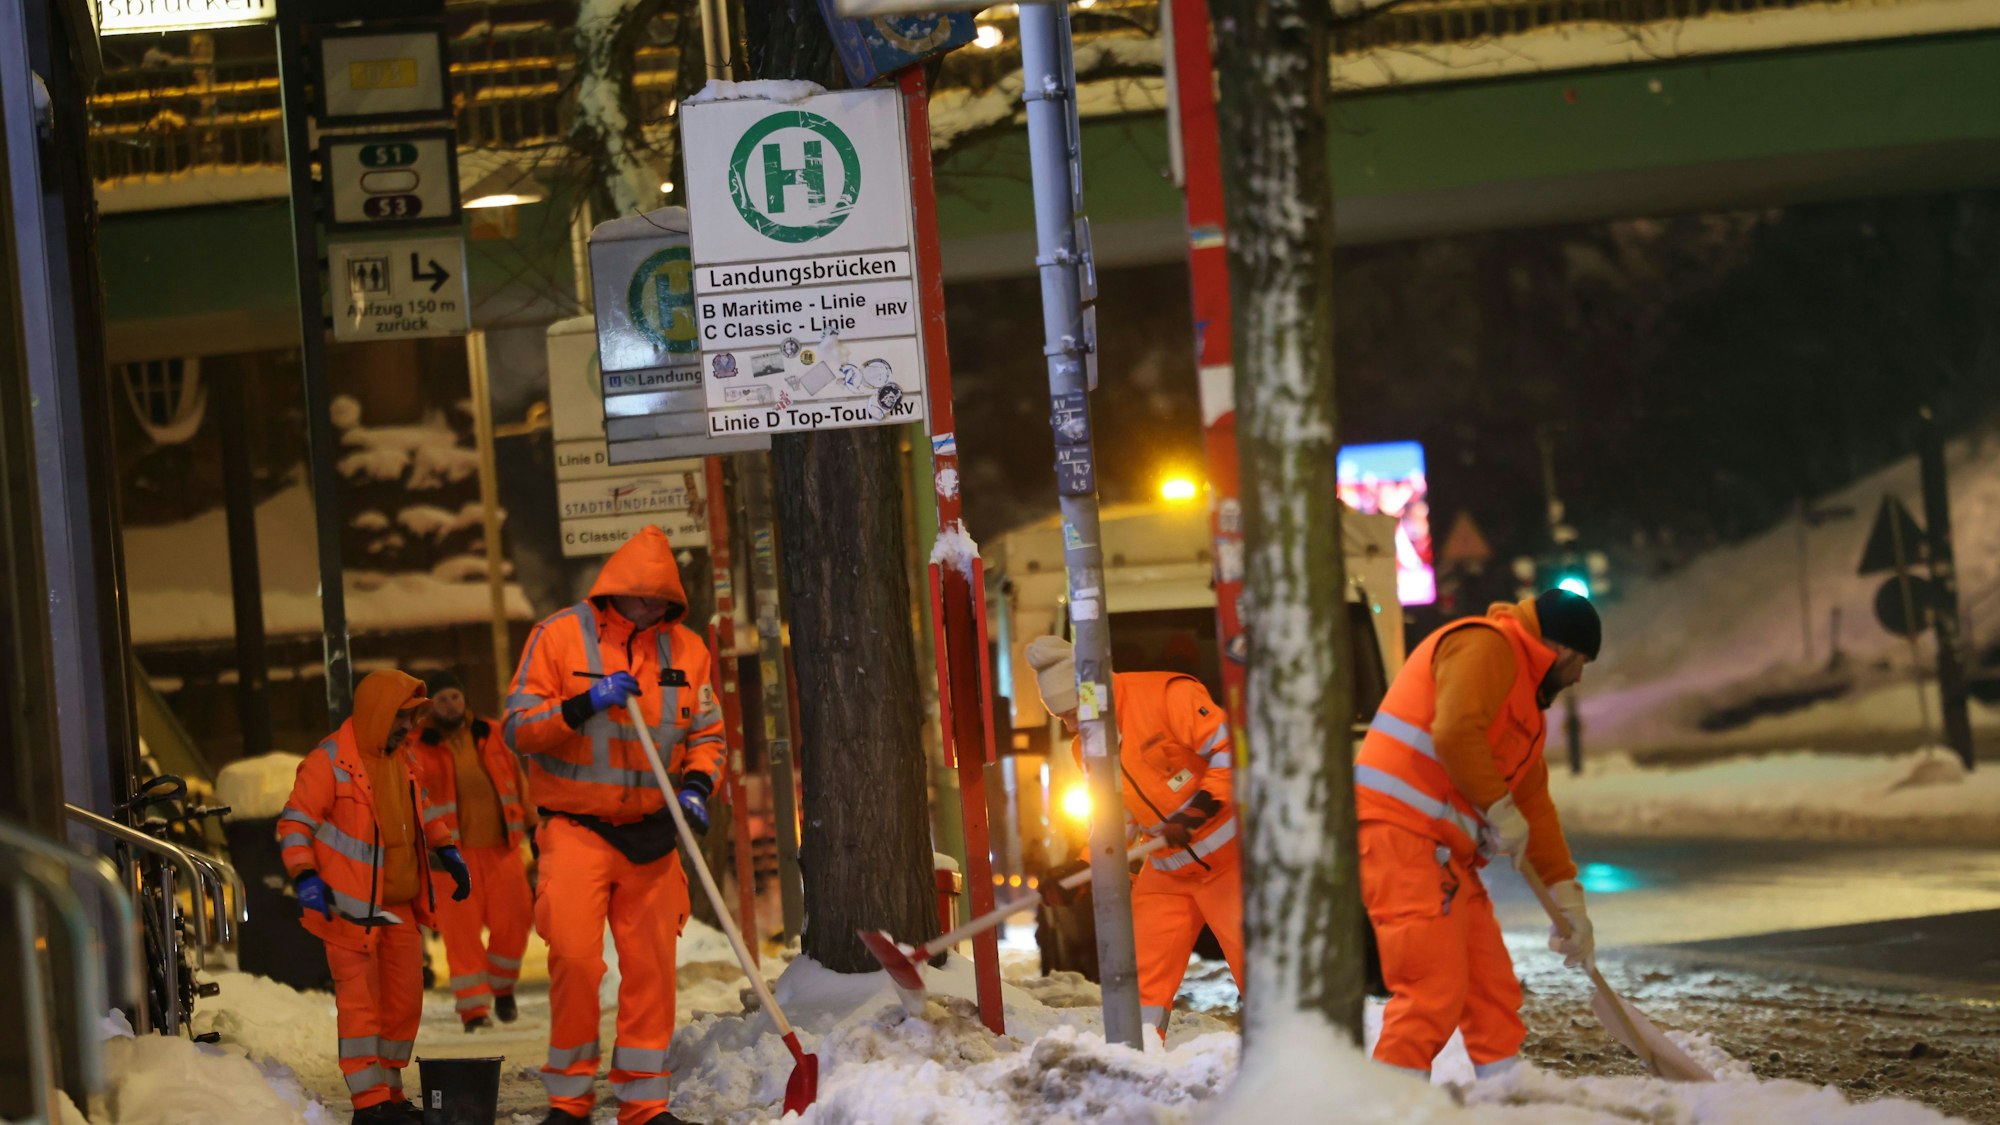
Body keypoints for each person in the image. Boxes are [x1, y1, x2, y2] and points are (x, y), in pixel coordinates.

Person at [504, 526, 725, 1125]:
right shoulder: (558, 638)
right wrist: (584, 704)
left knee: (651, 970)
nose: (655, 608)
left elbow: (707, 733)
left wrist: (698, 788)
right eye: (644, 596)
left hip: (652, 833)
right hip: (575, 827)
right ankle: (569, 1102)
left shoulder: (687, 651)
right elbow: (518, 728)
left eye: (664, 600)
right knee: (575, 961)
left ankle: (643, 1104)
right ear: (616, 591)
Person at [1355, 588, 1602, 1080]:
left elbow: (1534, 804)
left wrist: (1565, 892)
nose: (1577, 679)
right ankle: (1391, 1106)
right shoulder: (1486, 646)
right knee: (1432, 988)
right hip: (1399, 836)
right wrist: (1496, 806)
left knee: (1491, 987)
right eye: (1581, 665)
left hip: (1445, 854)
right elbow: (1455, 732)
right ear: (1565, 652)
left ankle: (1506, 1095)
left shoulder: (1526, 707)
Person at [1024, 634, 1244, 1039]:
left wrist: (1198, 808)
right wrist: (1084, 868)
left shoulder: (1167, 696)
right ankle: (1139, 1055)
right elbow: (1115, 820)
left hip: (1234, 864)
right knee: (1141, 977)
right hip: (1170, 873)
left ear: (1094, 693)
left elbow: (1231, 750)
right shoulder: (1087, 748)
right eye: (1062, 719)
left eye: (1074, 712)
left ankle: (1291, 1059)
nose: (1072, 726)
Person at [277, 670, 472, 1125]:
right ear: (378, 713)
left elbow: (418, 807)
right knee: (362, 1007)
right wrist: (304, 874)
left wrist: (445, 847)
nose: (409, 726)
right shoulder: (330, 761)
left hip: (398, 906)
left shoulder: (401, 759)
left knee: (402, 1003)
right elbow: (294, 823)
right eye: (402, 717)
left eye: (412, 717)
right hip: (348, 909)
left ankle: (391, 1095)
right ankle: (370, 1107)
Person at [407, 669, 537, 1031]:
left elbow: (518, 782)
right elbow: (414, 801)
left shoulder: (492, 733)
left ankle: (502, 987)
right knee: (461, 937)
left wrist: (533, 825)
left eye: (455, 697)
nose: (450, 704)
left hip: (502, 849)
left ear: (464, 699)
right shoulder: (417, 746)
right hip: (450, 860)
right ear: (431, 705)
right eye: (442, 699)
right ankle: (474, 1010)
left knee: (515, 922)